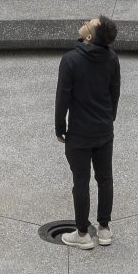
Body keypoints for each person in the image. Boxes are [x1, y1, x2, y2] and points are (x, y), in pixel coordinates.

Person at [53, 14, 120, 250]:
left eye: (87, 24)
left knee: (80, 181)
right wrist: (108, 121)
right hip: (103, 131)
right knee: (105, 178)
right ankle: (104, 229)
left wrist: (60, 127)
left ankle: (82, 233)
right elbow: (114, 94)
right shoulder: (112, 58)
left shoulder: (70, 60)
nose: (84, 23)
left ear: (89, 37)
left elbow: (63, 97)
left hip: (79, 133)